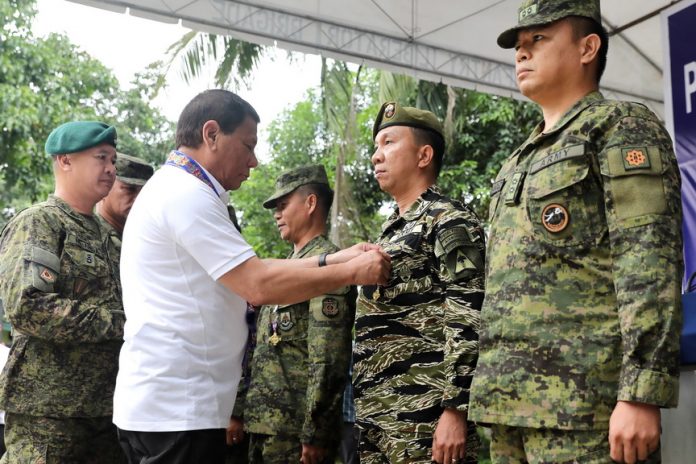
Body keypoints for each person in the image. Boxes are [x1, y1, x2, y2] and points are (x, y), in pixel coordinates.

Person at [112, 89, 390, 464]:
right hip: (177, 409)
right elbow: (257, 284)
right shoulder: (184, 194)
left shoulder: (180, 189)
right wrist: (352, 270)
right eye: (248, 145)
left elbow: (256, 268)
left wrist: (335, 259)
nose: (254, 161)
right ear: (211, 134)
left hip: (172, 406)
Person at [467, 1, 683, 463]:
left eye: (538, 39)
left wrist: (641, 391)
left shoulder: (620, 127)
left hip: (588, 408)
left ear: (588, 47)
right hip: (509, 410)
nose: (522, 53)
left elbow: (648, 259)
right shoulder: (516, 161)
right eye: (519, 45)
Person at [353, 102, 485, 464]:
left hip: (424, 418)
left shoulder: (448, 220)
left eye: (389, 143)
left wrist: (455, 411)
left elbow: (468, 312)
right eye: (376, 147)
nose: (376, 156)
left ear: (424, 155)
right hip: (379, 416)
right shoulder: (393, 230)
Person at [0, 121, 126, 463]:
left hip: (107, 409)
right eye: (102, 157)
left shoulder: (110, 236)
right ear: (65, 161)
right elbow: (29, 307)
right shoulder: (41, 222)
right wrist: (121, 324)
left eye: (113, 160)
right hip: (49, 411)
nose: (111, 169)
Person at [234, 164, 356, 464]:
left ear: (310, 203)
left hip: (297, 434)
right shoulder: (288, 267)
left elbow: (328, 360)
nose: (276, 214)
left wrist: (316, 433)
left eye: (283, 205)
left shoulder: (330, 268)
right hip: (263, 426)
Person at [96, 152, 154, 252]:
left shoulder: (146, 239)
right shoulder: (88, 237)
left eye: (144, 192)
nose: (139, 199)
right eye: (130, 189)